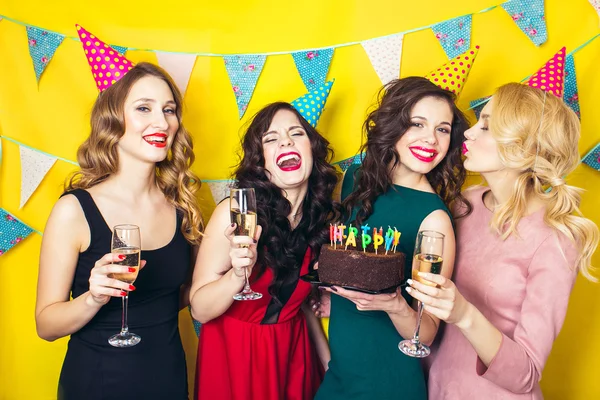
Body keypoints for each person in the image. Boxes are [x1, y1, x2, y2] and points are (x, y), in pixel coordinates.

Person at [411, 50, 599, 399]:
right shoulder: (461, 205)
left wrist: (464, 312)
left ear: (522, 147)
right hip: (433, 387)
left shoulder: (554, 238)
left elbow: (526, 374)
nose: (466, 134)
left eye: (486, 126)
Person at [35, 25, 202, 400]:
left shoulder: (181, 206)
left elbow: (181, 295)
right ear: (113, 119)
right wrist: (92, 298)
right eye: (143, 108)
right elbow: (46, 325)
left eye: (169, 110)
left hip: (168, 379)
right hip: (98, 382)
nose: (162, 123)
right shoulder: (74, 211)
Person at [315, 52, 477, 399]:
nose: (430, 139)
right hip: (339, 373)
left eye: (442, 129)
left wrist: (394, 305)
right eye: (417, 124)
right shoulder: (354, 180)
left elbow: (427, 331)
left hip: (387, 382)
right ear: (393, 125)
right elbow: (344, 259)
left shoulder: (433, 218)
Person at [190, 82, 337, 400]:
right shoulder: (237, 213)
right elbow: (200, 309)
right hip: (236, 357)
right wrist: (236, 276)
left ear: (311, 148)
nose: (286, 141)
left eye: (296, 134)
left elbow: (297, 306)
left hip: (294, 356)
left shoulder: (317, 218)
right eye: (271, 139)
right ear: (262, 161)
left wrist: (328, 364)